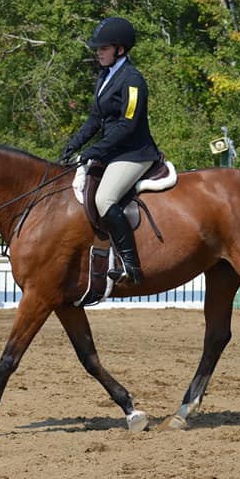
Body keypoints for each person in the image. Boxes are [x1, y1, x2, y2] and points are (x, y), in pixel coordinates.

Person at [60, 16, 161, 286]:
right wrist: (74, 143)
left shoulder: (132, 80)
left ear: (120, 49)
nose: (98, 52)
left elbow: (128, 125)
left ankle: (131, 265)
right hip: (112, 152)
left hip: (134, 153)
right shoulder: (105, 76)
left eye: (103, 48)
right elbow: (95, 119)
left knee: (104, 199)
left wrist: (95, 150)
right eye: (98, 48)